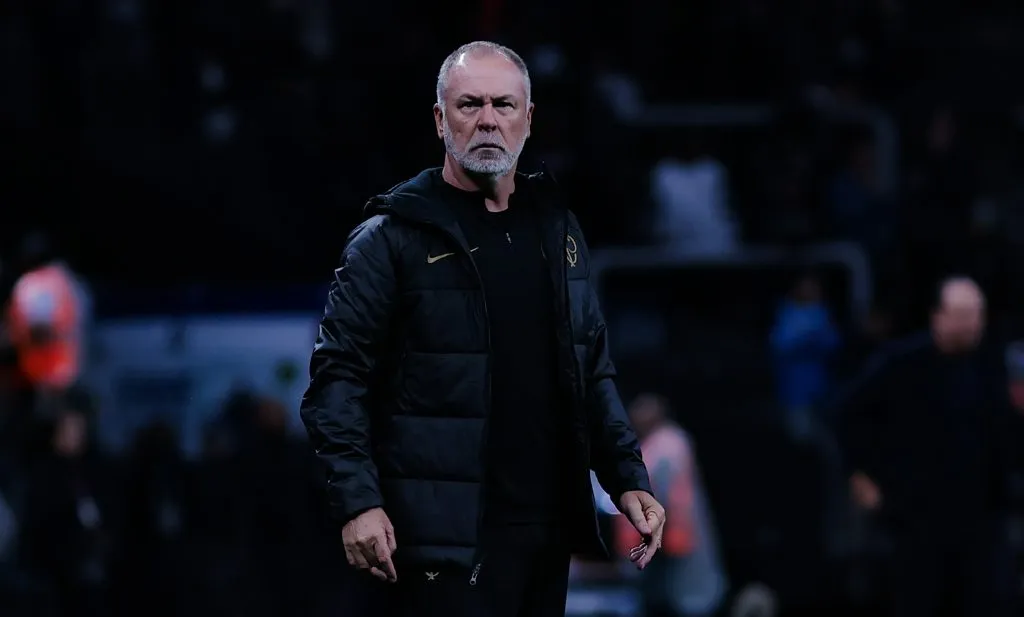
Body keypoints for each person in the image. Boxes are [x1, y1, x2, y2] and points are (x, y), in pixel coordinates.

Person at [299, 41, 665, 617]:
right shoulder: (390, 238)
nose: (488, 120)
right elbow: (336, 381)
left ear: (528, 118)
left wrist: (627, 477)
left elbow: (589, 367)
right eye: (469, 105)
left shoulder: (559, 231)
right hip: (438, 543)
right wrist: (357, 502)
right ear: (441, 120)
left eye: (504, 104)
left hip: (544, 535)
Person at [839, 276, 1019, 617]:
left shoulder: (991, 364)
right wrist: (860, 475)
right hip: (918, 515)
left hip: (981, 514)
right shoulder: (901, 364)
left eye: (977, 315)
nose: (972, 324)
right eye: (963, 314)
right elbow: (848, 414)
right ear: (938, 316)